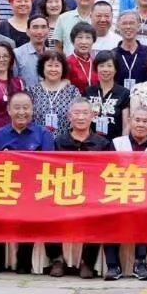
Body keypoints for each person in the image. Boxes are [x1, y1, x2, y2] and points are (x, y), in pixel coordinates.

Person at [0, 91, 59, 274]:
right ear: (9, 110)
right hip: (4, 188)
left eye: (26, 108)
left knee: (32, 210)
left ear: (33, 110)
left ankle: (24, 261)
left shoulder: (43, 134)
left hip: (33, 189)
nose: (21, 112)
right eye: (17, 108)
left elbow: (49, 165)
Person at [52, 100, 114, 278]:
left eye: (85, 113)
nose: (80, 117)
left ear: (93, 116)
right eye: (76, 113)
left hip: (92, 193)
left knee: (99, 214)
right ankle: (57, 259)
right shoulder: (58, 142)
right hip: (64, 191)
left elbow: (109, 171)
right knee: (48, 209)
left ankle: (87, 262)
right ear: (69, 117)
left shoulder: (103, 143)